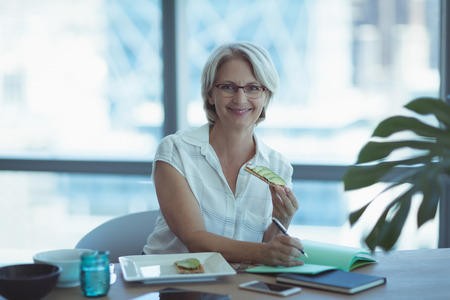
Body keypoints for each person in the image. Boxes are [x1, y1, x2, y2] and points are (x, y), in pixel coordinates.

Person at [143, 41, 304, 267]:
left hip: (234, 288)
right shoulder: (175, 151)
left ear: (266, 96)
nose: (240, 99)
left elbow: (267, 255)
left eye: (253, 88)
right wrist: (262, 252)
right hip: (171, 285)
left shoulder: (278, 167)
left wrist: (283, 218)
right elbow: (194, 239)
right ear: (210, 94)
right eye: (228, 87)